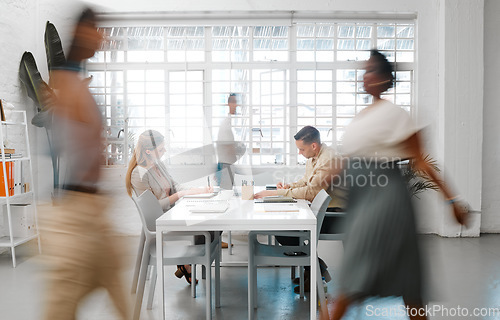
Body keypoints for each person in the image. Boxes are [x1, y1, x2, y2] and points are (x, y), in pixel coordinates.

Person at [328, 49, 468, 320]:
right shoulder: (363, 115)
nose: (364, 76)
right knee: (408, 286)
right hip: (362, 202)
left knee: (353, 279)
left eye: (370, 70)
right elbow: (350, 160)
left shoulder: (395, 115)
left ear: (383, 78)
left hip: (384, 203)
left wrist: (452, 200)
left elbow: (421, 161)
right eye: (364, 70)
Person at [41, 8, 130, 320]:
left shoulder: (75, 79)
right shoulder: (66, 81)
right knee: (61, 305)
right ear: (82, 33)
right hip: (75, 213)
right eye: (98, 30)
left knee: (120, 292)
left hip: (94, 210)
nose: (103, 38)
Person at [254, 125, 348, 293]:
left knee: (286, 231)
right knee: (283, 229)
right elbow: (307, 181)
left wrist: (276, 193)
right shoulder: (314, 157)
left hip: (337, 216)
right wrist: (290, 186)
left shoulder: (328, 159)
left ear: (313, 146)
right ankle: (315, 269)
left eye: (301, 149)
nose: (299, 153)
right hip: (325, 211)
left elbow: (311, 192)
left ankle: (315, 271)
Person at [125, 130, 216, 284]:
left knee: (212, 225)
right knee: (207, 227)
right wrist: (180, 195)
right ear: (148, 151)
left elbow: (175, 186)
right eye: (161, 149)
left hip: (172, 213)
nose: (164, 151)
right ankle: (192, 262)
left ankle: (192, 263)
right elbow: (155, 206)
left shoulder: (158, 165)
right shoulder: (138, 174)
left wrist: (199, 190)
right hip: (162, 220)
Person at [215, 93, 239, 190]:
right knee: (225, 193)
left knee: (227, 192)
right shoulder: (225, 124)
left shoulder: (230, 122)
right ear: (229, 104)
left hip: (227, 165)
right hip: (225, 165)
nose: (237, 105)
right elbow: (227, 147)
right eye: (235, 102)